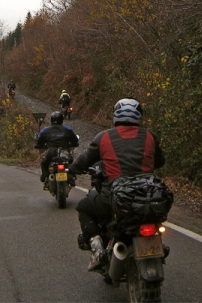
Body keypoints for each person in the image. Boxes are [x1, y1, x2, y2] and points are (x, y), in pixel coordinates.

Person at [71, 98, 165, 272]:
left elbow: (84, 160)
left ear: (116, 115)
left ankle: (97, 249)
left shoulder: (104, 137)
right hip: (148, 197)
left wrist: (73, 169)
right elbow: (160, 162)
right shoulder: (150, 136)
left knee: (83, 207)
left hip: (113, 199)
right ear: (139, 116)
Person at [34, 111, 79, 187]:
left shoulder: (45, 130)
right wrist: (73, 144)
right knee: (71, 161)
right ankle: (72, 177)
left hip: (51, 152)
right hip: (64, 152)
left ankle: (45, 177)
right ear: (62, 120)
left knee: (44, 162)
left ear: (51, 120)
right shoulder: (67, 129)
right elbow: (75, 140)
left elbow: (39, 141)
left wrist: (38, 145)